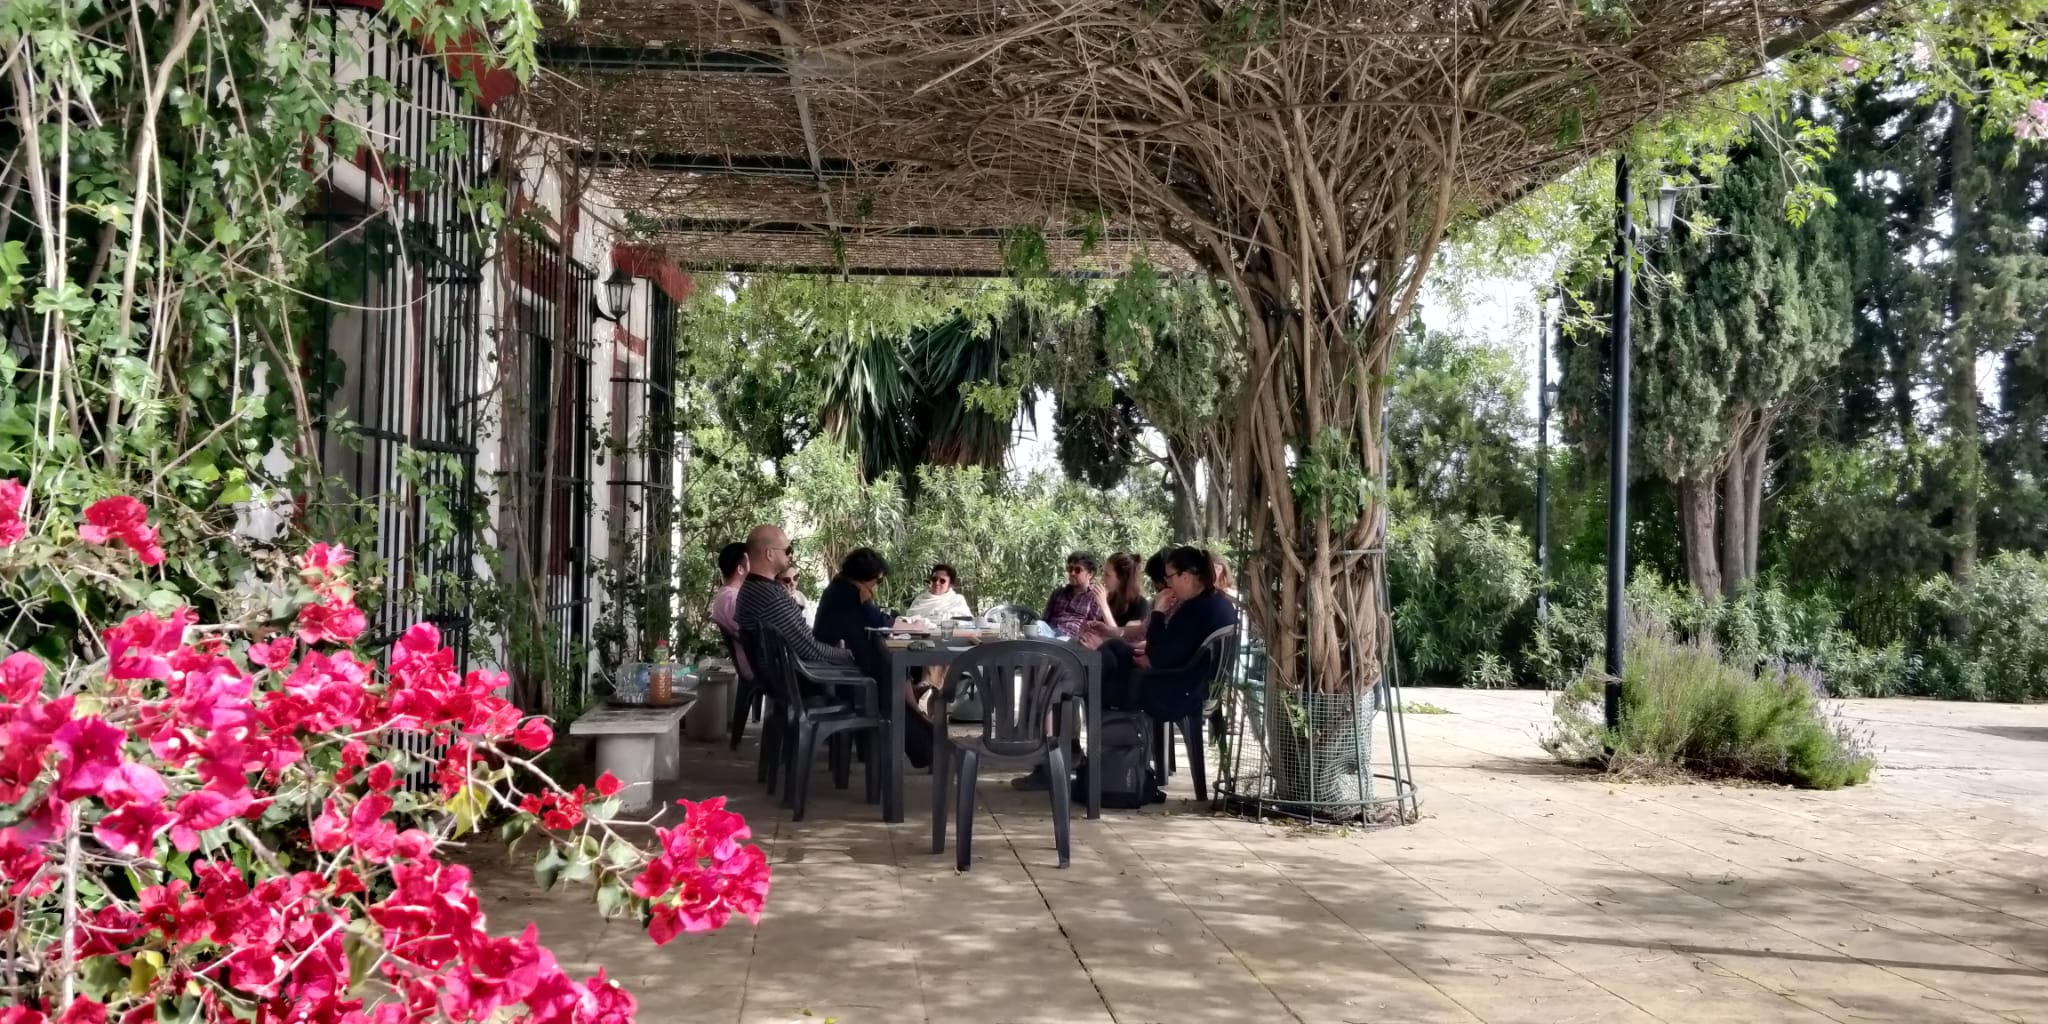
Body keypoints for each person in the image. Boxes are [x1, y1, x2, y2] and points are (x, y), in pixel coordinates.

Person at [812, 547, 934, 770]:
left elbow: (874, 619)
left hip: (839, 665)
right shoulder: (851, 594)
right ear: (865, 577)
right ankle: (926, 746)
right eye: (877, 580)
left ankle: (919, 720)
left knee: (895, 673)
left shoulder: (840, 588)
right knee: (891, 681)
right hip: (842, 673)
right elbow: (879, 621)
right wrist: (913, 626)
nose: (876, 586)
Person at [735, 524, 854, 673]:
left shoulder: (752, 588)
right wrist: (848, 655)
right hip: (795, 677)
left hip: (781, 675)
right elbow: (808, 648)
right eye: (787, 550)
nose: (790, 555)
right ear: (770, 554)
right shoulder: (771, 598)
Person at [1080, 552, 1151, 647]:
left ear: (1121, 579)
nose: (1102, 579)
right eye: (1103, 573)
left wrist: (1103, 606)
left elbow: (1122, 642)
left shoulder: (1140, 604)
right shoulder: (1111, 597)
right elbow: (1103, 632)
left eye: (1107, 575)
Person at [1042, 551, 1111, 638]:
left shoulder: (1095, 598)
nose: (1072, 573)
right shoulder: (1058, 593)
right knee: (1038, 625)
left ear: (1090, 574)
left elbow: (1092, 630)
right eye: (1070, 569)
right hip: (1048, 633)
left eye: (1078, 570)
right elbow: (1045, 620)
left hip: (1070, 639)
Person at [708, 541, 751, 677]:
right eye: (751, 562)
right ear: (740, 569)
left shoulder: (727, 595)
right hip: (756, 667)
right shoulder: (732, 598)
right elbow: (754, 634)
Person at [902, 563, 972, 622]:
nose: (937, 583)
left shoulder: (957, 600)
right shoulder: (919, 600)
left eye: (942, 581)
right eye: (934, 579)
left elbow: (966, 622)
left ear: (950, 584)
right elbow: (907, 622)